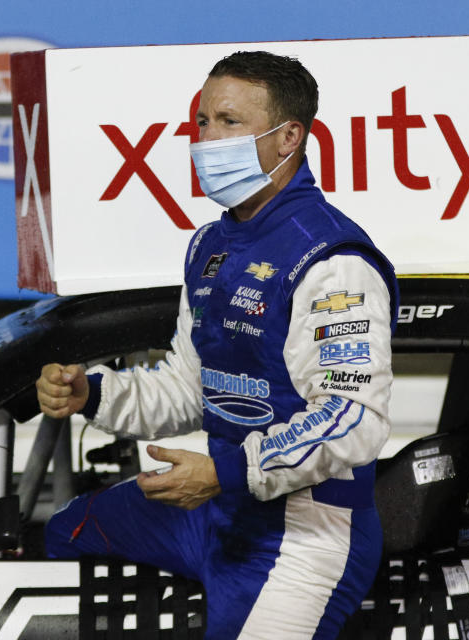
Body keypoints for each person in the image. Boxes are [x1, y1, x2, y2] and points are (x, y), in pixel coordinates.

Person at [37, 50, 399, 639]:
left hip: (305, 534)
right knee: (63, 533)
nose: (207, 140)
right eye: (203, 121)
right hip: (216, 507)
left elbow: (353, 419)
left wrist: (226, 473)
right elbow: (188, 387)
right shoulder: (209, 245)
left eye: (229, 122)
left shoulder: (332, 261)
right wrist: (92, 393)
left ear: (289, 139)